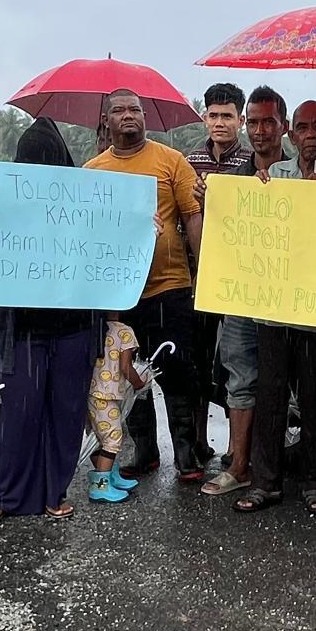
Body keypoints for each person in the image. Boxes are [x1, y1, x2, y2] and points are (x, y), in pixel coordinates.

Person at [0, 117, 100, 520]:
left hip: (74, 329)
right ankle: (7, 495)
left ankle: (55, 491)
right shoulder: (0, 207)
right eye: (31, 161)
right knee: (18, 414)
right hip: (23, 331)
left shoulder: (86, 205)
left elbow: (111, 251)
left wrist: (139, 231)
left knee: (66, 412)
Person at [236, 99, 316, 514]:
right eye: (302, 128)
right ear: (291, 136)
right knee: (270, 393)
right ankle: (264, 481)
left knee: (315, 396)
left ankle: (313, 481)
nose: (310, 135)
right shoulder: (272, 178)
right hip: (275, 306)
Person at [86, 88, 209, 482]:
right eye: (119, 110)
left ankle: (186, 454)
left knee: (176, 369)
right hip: (120, 293)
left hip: (169, 285)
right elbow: (84, 230)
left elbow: (192, 217)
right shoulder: (92, 171)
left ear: (145, 117)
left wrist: (203, 271)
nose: (129, 116)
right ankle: (144, 452)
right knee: (128, 372)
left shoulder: (171, 162)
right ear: (106, 120)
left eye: (135, 110)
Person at [198, 87, 290, 496]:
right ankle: (239, 463)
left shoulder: (303, 173)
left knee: (286, 385)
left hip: (289, 299)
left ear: (282, 126)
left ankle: (279, 466)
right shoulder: (233, 180)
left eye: (268, 121)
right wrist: (208, 205)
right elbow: (219, 237)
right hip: (240, 296)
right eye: (253, 122)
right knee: (239, 378)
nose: (259, 130)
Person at [183, 80, 252, 455]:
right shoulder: (190, 163)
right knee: (198, 357)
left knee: (236, 362)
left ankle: (235, 447)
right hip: (201, 276)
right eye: (214, 115)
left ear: (240, 120)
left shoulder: (254, 162)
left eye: (228, 116)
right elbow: (183, 219)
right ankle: (196, 439)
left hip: (241, 276)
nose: (220, 122)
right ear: (205, 118)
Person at [85, 320, 151, 502]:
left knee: (100, 438)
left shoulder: (94, 326)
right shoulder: (124, 331)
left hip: (91, 391)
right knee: (113, 439)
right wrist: (140, 383)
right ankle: (101, 486)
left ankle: (109, 476)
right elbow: (126, 367)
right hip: (107, 394)